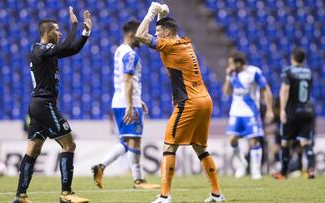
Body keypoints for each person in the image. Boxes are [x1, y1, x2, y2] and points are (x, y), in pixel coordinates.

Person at [135, 2, 225, 203]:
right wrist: (162, 17)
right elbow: (165, 44)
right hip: (205, 100)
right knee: (200, 147)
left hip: (189, 102)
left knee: (169, 146)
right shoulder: (184, 43)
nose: (156, 35)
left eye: (158, 32)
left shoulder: (169, 44)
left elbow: (140, 35)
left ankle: (165, 196)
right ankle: (217, 194)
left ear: (166, 33)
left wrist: (151, 14)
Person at [12, 6, 91, 203]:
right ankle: (66, 194)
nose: (60, 32)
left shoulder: (48, 52)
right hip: (45, 105)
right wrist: (74, 25)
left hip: (37, 106)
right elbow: (65, 46)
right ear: (47, 33)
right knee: (69, 144)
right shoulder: (40, 50)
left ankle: (20, 195)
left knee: (33, 149)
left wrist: (85, 32)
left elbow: (72, 49)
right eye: (57, 30)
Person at [91, 20, 159, 190]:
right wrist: (131, 104)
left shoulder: (120, 50)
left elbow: (126, 81)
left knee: (127, 143)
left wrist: (137, 100)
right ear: (131, 34)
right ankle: (138, 180)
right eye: (141, 34)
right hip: (127, 103)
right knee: (135, 142)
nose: (144, 38)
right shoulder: (130, 55)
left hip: (122, 100)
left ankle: (101, 167)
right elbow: (127, 81)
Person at [223, 51, 274, 180]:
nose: (229, 66)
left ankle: (256, 171)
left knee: (253, 141)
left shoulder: (254, 72)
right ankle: (242, 163)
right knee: (232, 140)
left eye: (231, 63)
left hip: (251, 112)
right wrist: (228, 77)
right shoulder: (232, 74)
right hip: (235, 112)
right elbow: (226, 92)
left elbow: (266, 90)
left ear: (239, 63)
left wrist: (269, 110)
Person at [273, 48, 316, 179]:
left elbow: (285, 89)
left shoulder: (288, 71)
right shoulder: (309, 72)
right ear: (303, 59)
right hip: (307, 110)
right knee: (305, 142)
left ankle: (283, 173)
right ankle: (311, 169)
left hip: (292, 111)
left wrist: (282, 110)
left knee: (285, 142)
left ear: (292, 58)